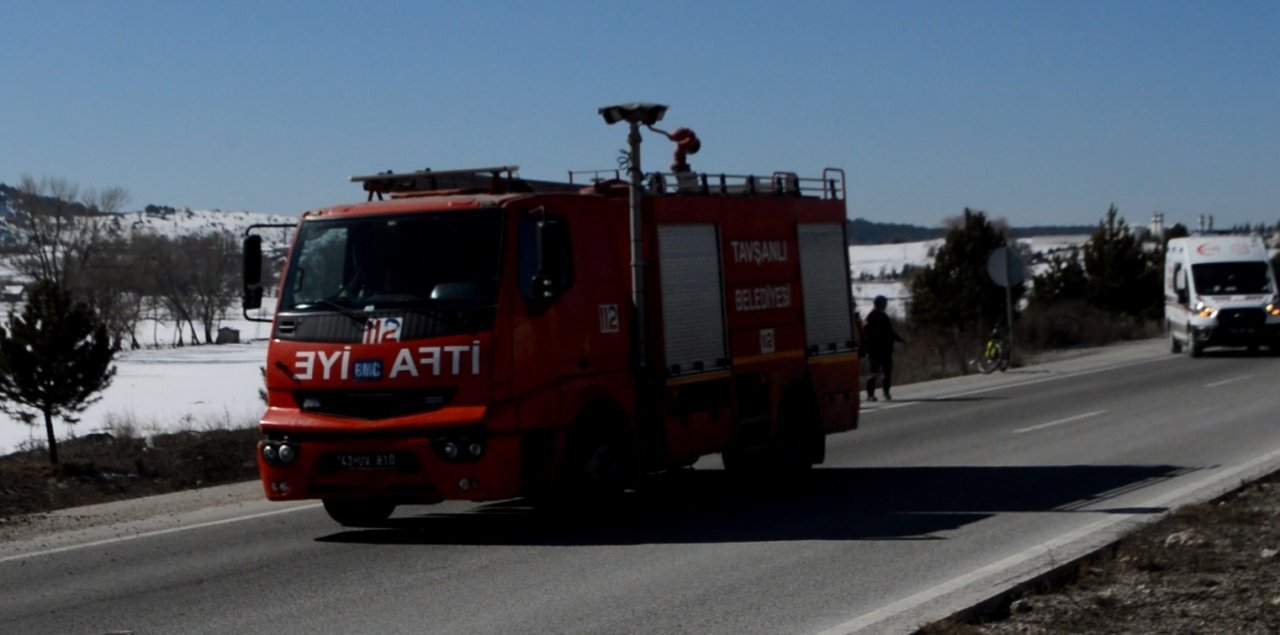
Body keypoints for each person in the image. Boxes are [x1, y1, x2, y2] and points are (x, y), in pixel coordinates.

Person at [861, 295, 904, 401]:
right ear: (881, 304)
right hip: (883, 350)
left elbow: (865, 333)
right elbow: (889, 332)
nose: (886, 305)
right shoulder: (881, 316)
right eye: (884, 303)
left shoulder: (869, 316)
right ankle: (885, 392)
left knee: (874, 372)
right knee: (886, 372)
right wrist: (900, 339)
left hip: (874, 350)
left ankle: (871, 394)